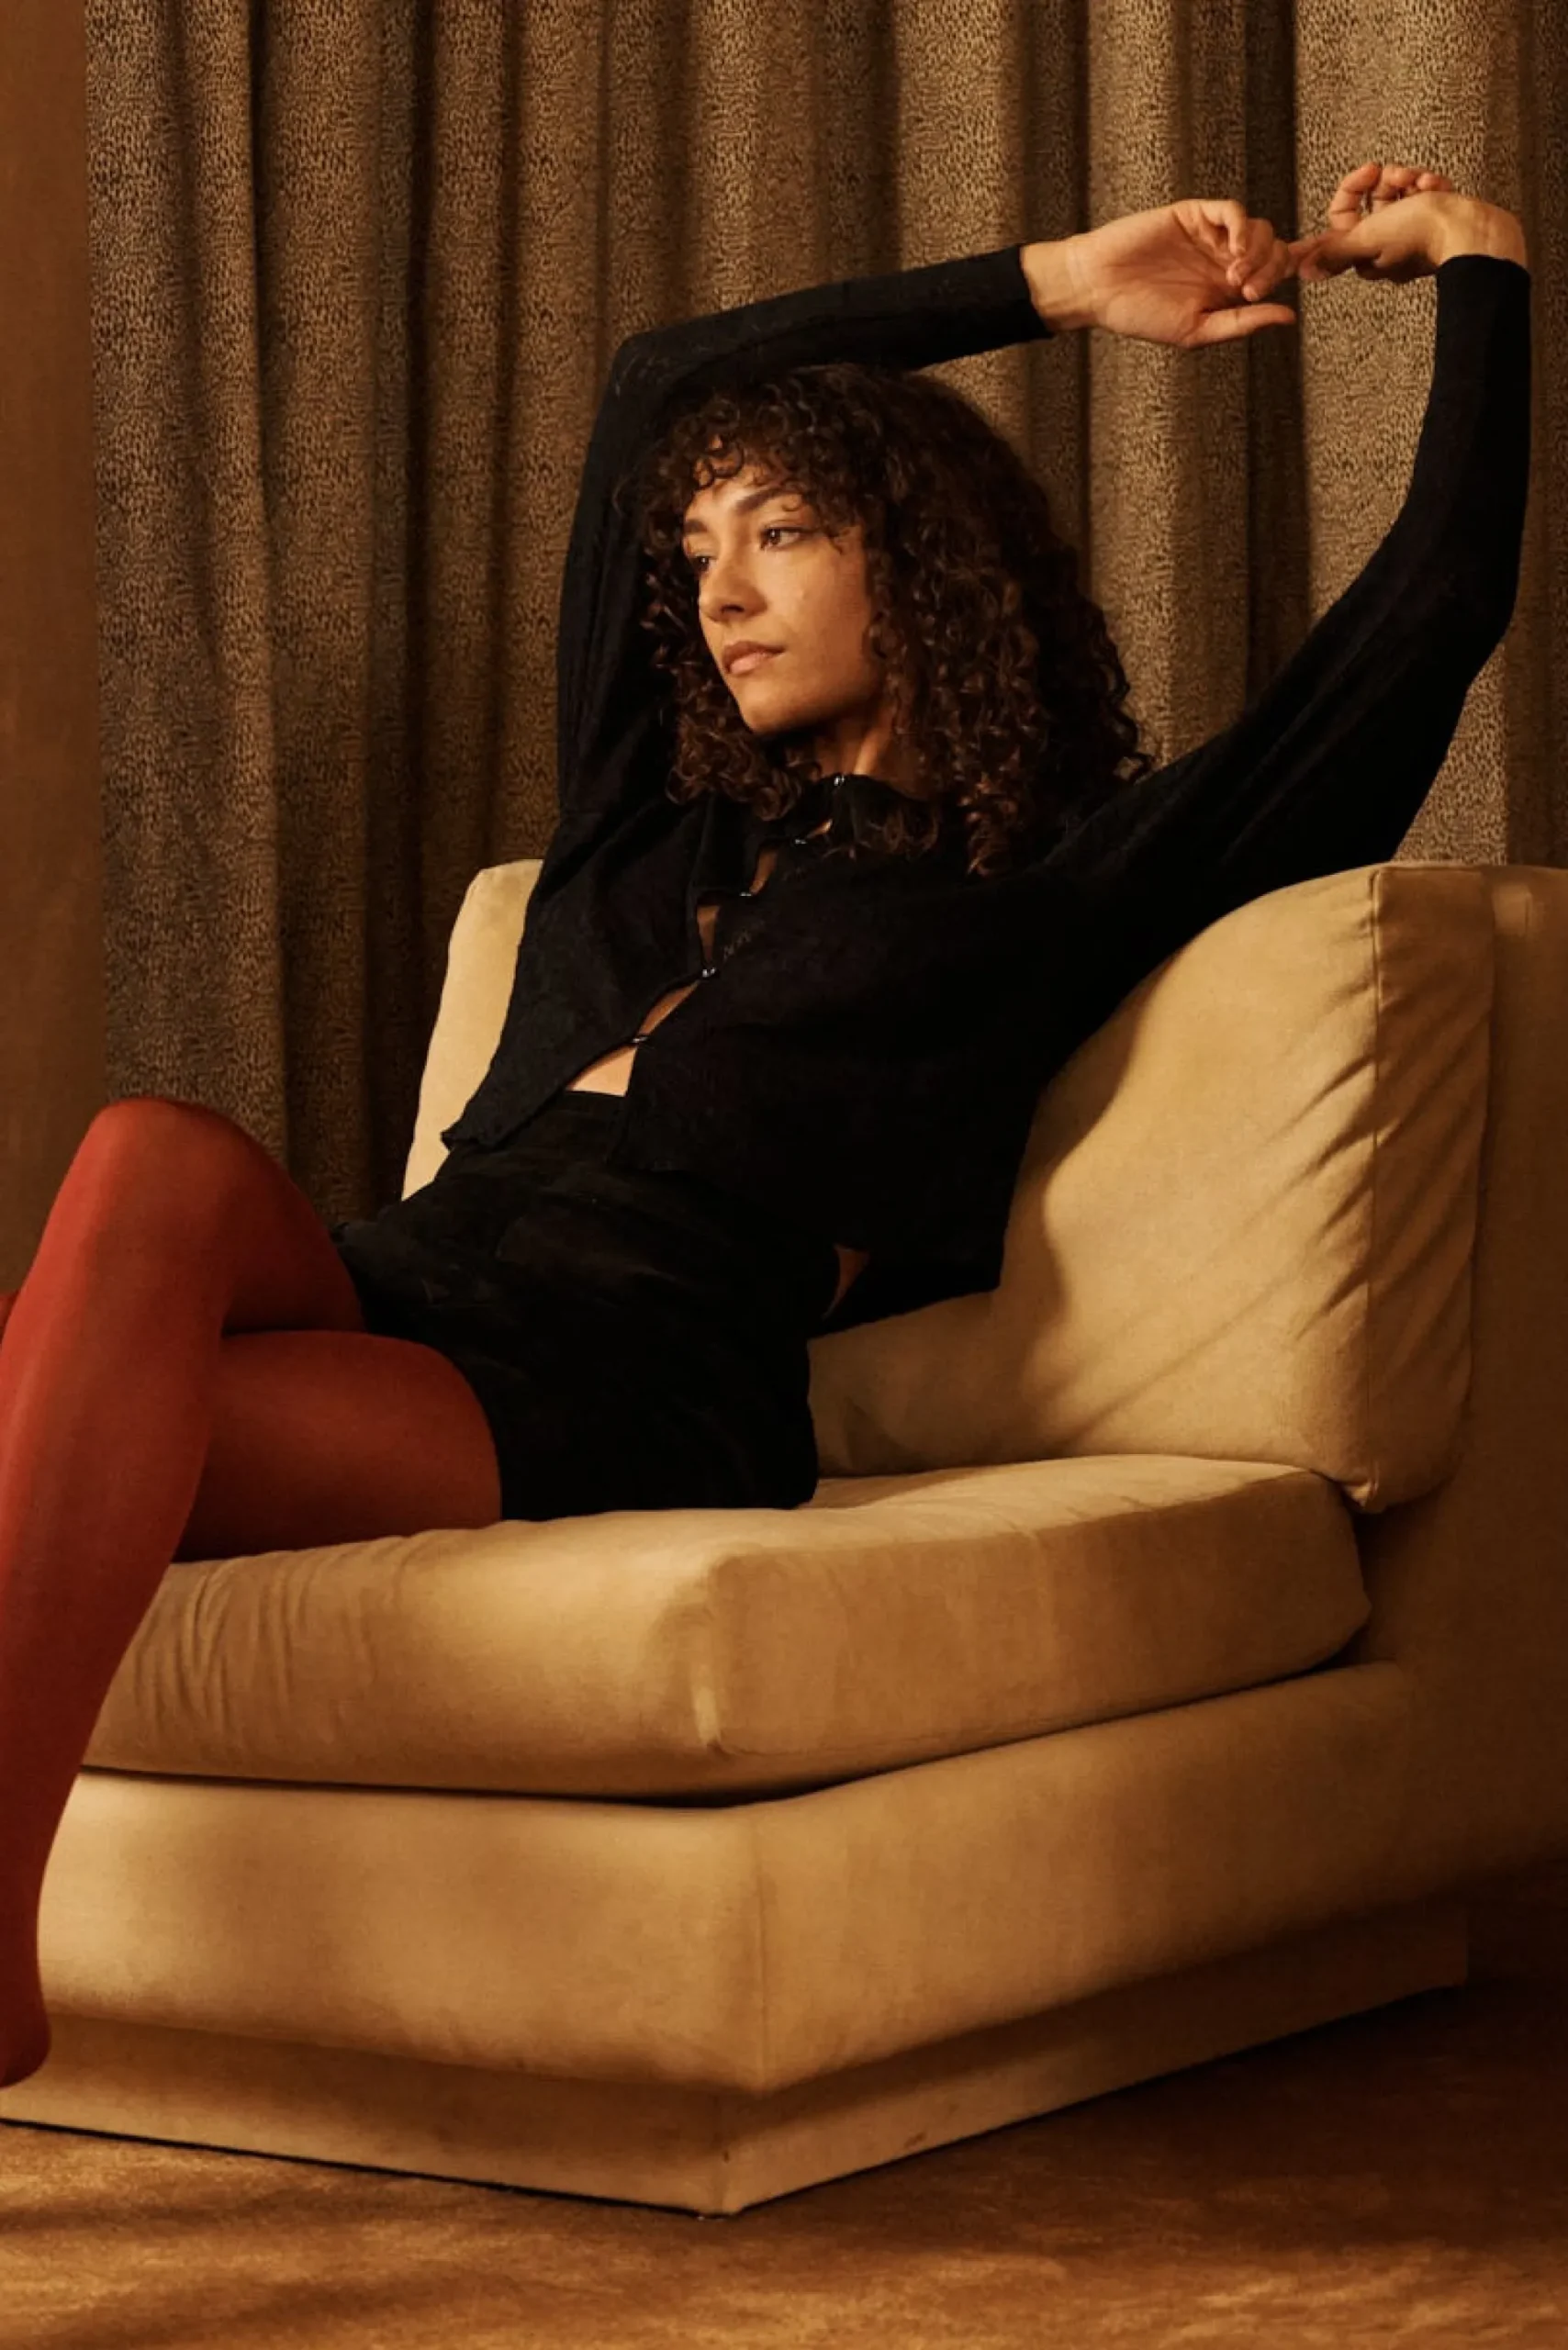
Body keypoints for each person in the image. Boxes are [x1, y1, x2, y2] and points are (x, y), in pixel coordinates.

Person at [0, 163, 1532, 2088]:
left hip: (626, 1360)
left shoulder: (1044, 894)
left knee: (61, 1400)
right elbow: (660, 378)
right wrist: (1063, 281)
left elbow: (1423, 617)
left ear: (922, 559)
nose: (720, 591)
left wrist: (1482, 270)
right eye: (701, 547)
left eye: (783, 531)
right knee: (148, 1159)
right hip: (402, 1283)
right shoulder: (647, 828)